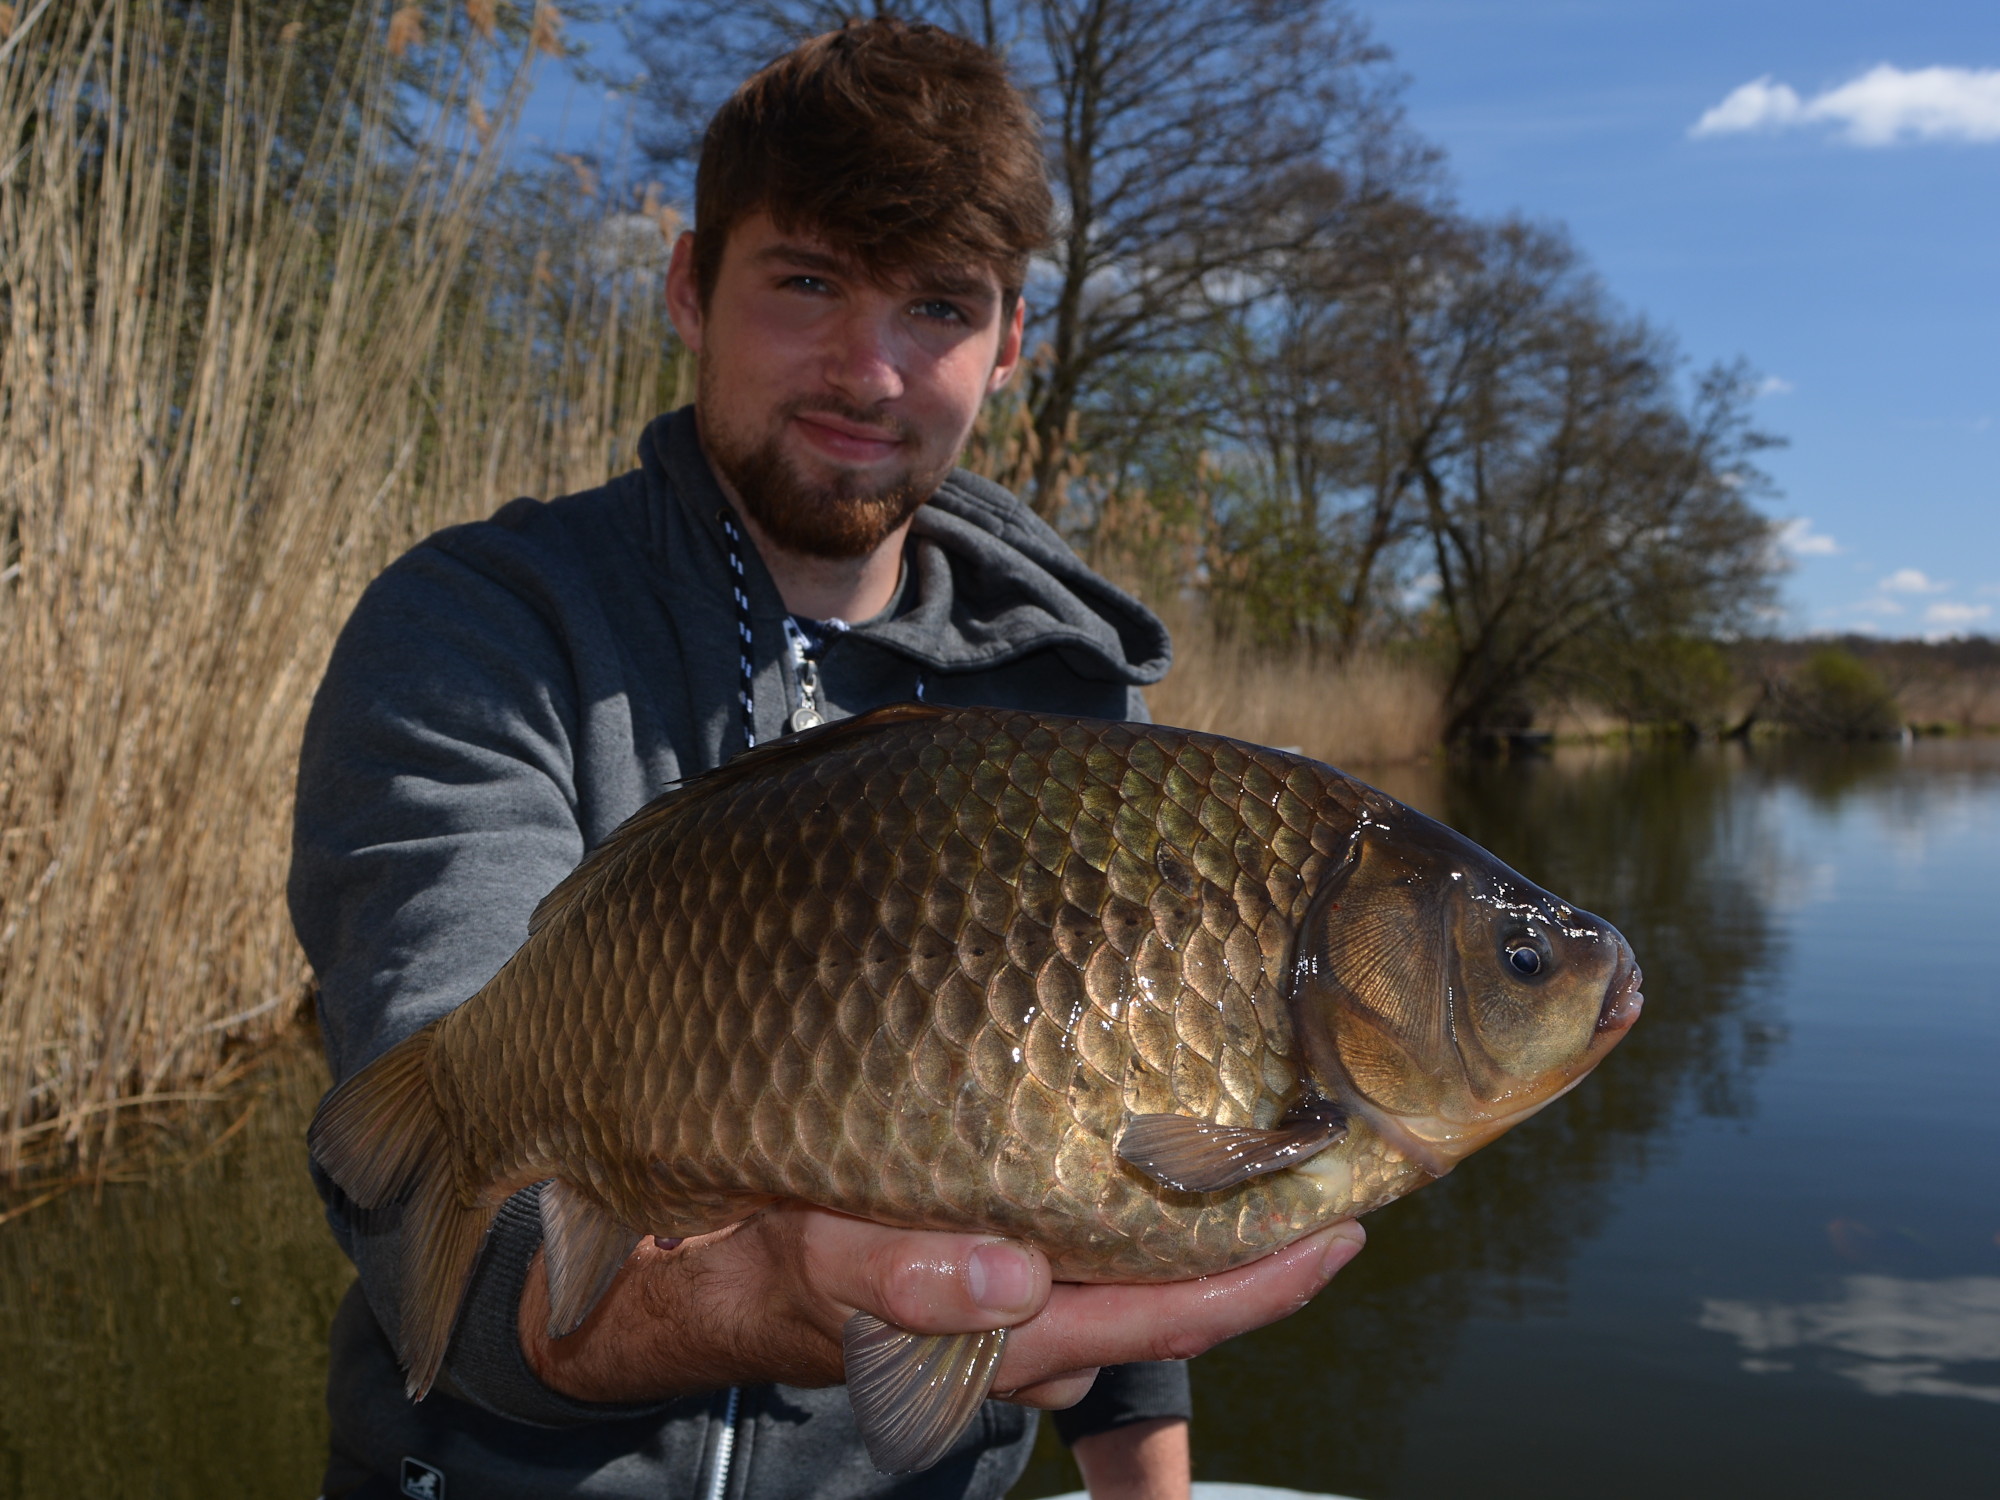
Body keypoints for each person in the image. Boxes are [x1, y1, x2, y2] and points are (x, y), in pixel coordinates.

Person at [289, 18, 1365, 1500]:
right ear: (689, 285)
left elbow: (1137, 1158)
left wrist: (1148, 1482)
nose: (867, 368)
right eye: (806, 282)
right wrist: (757, 1296)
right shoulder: (481, 624)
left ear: (1010, 347)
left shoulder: (1074, 703)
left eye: (936, 306)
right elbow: (451, 1232)